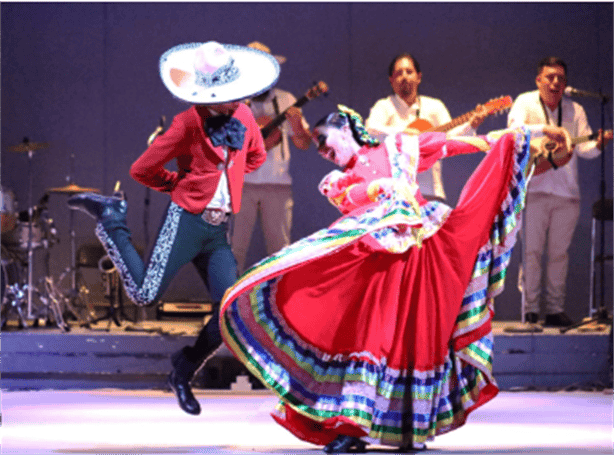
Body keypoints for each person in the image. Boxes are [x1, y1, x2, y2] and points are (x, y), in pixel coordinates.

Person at [219, 105, 571, 452]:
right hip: (376, 267)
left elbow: (472, 144)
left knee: (414, 342)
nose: (325, 153)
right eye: (320, 150)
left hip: (419, 258)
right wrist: (378, 189)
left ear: (345, 129)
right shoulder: (338, 179)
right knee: (369, 341)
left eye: (326, 142)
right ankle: (351, 428)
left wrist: (540, 132)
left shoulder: (402, 147)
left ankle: (406, 428)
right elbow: (351, 197)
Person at [67, 41, 279, 415]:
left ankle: (185, 368)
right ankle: (112, 217)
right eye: (225, 95)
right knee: (146, 293)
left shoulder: (245, 116)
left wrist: (226, 183)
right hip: (185, 221)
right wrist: (184, 187)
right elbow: (141, 169)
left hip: (217, 231)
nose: (234, 100)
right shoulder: (187, 123)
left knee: (229, 312)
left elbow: (257, 156)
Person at [508, 56, 612, 327]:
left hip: (567, 194)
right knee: (531, 252)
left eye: (561, 79)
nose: (555, 82)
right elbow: (513, 131)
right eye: (550, 77)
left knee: (559, 254)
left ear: (566, 84)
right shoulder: (525, 102)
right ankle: (529, 310)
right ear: (538, 80)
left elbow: (585, 149)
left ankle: (554, 309)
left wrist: (598, 144)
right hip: (534, 190)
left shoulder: (574, 109)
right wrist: (545, 131)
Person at [231, 42, 312, 274]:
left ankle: (277, 306)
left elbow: (304, 143)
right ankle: (227, 305)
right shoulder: (234, 102)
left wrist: (297, 126)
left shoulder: (286, 99)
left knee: (280, 251)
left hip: (277, 185)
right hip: (241, 185)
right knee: (234, 250)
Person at [365, 52, 487, 202]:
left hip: (431, 191)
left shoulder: (434, 107)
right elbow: (370, 130)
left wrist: (471, 125)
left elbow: (452, 139)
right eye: (398, 73)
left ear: (419, 77)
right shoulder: (384, 106)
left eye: (409, 72)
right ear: (391, 80)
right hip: (395, 193)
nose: (404, 77)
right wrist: (403, 133)